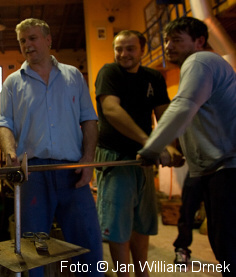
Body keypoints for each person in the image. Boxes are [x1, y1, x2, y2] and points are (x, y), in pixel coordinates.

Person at [0, 18, 103, 277]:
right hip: (33, 175)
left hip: (73, 173)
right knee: (33, 253)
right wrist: (10, 151)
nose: (27, 46)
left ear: (48, 40)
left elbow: (89, 119)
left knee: (88, 248)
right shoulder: (12, 83)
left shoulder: (73, 75)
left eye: (32, 38)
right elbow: (3, 123)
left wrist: (88, 160)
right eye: (22, 41)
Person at [138, 16, 236, 275]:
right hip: (213, 169)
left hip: (226, 169)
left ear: (199, 41)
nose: (169, 46)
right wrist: (181, 151)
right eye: (167, 40)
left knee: (229, 246)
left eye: (177, 40)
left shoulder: (199, 60)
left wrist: (151, 148)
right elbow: (194, 117)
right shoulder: (203, 65)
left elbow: (182, 107)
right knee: (223, 244)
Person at [94, 30, 174, 277]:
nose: (123, 54)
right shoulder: (109, 72)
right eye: (119, 49)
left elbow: (165, 114)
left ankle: (143, 274)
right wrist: (150, 142)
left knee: (142, 223)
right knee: (117, 227)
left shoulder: (153, 77)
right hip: (116, 158)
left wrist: (170, 144)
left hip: (143, 160)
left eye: (130, 48)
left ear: (142, 50)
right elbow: (111, 110)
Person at [173, 171, 204, 266]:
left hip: (224, 167)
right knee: (187, 209)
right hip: (197, 167)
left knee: (223, 219)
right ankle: (182, 248)